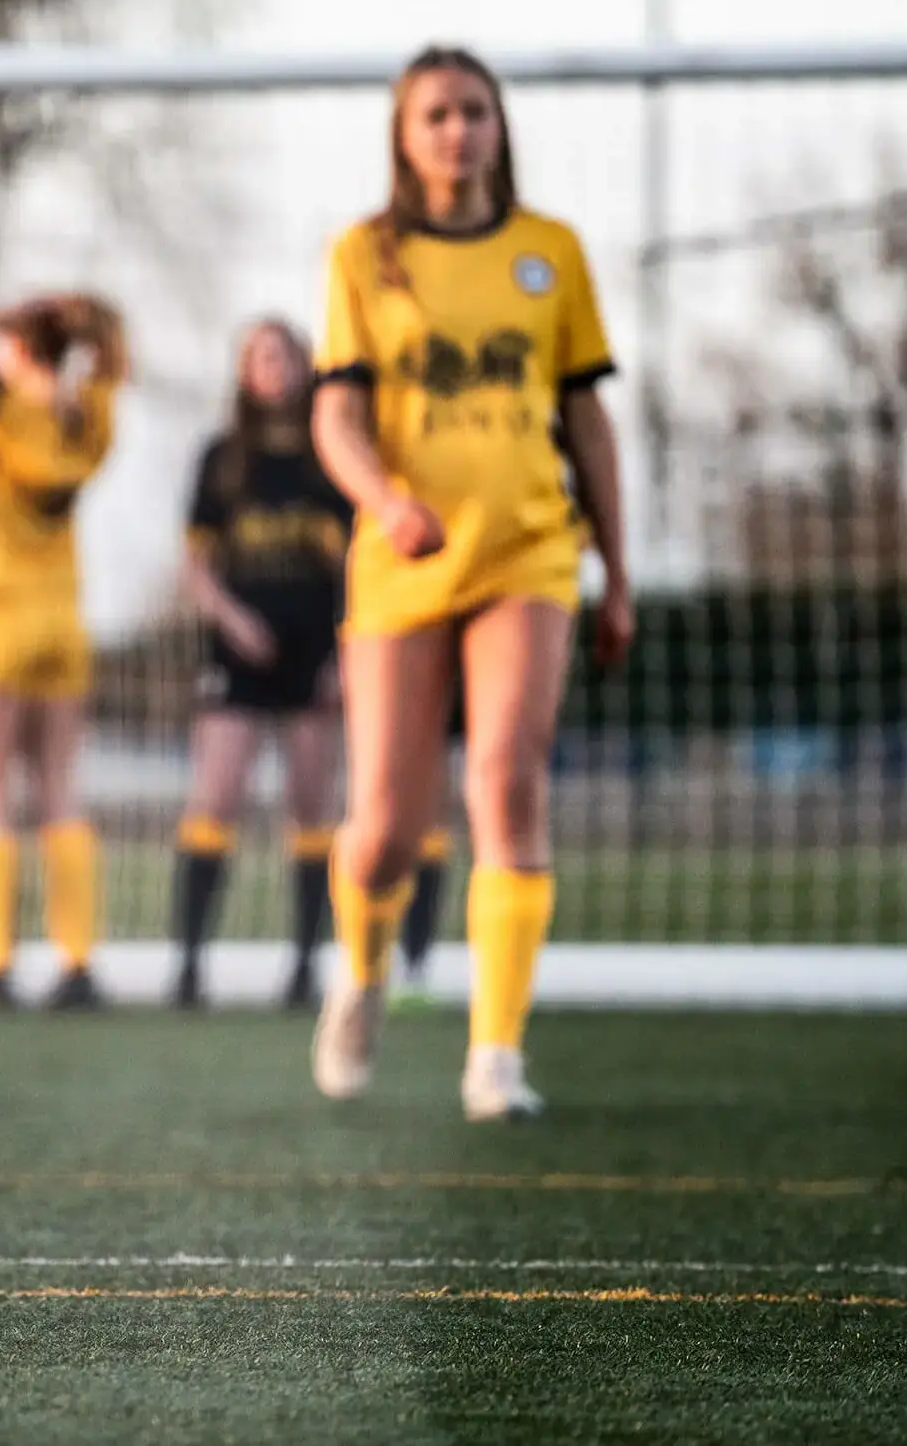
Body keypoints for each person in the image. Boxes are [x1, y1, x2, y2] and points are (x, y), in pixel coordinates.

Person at [309, 46, 630, 1119]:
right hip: (401, 561)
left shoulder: (552, 253)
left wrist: (617, 570)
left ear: (499, 127)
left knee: (503, 779)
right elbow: (336, 413)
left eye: (474, 112)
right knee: (388, 827)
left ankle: (494, 1056)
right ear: (404, 135)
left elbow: (585, 415)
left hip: (530, 551)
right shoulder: (363, 255)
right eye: (436, 114)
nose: (456, 130)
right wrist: (382, 498)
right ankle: (358, 975)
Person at [0, 294, 129, 1010]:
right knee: (60, 788)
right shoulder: (88, 414)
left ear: (19, 350)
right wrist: (77, 315)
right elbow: (114, 346)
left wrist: (14, 312)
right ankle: (78, 963)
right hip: (63, 618)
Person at [169, 319, 352, 1012]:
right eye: (260, 356)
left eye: (285, 355)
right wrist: (233, 618)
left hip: (314, 654)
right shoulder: (222, 457)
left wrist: (343, 651)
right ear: (245, 371)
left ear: (306, 367)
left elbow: (360, 566)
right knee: (215, 796)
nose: (273, 367)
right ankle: (187, 965)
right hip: (238, 656)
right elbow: (196, 564)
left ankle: (307, 967)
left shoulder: (330, 455)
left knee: (312, 805)